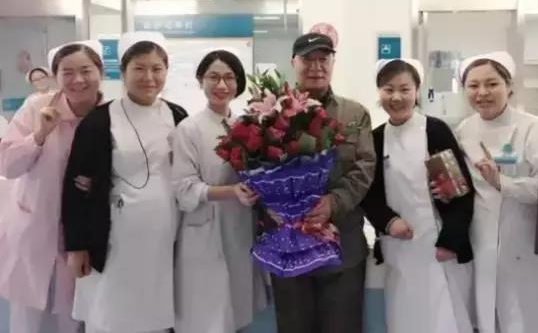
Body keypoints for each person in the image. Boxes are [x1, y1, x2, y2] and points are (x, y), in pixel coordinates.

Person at [62, 32, 188, 333]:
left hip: (166, 230)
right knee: (112, 312)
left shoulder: (177, 115)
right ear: (123, 72)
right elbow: (74, 189)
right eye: (139, 68)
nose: (149, 77)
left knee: (156, 311)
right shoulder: (99, 121)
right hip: (114, 233)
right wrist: (77, 246)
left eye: (157, 69)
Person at [456, 51, 538, 333]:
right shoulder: (464, 130)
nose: (482, 92)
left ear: (509, 86)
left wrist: (503, 183)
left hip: (527, 241)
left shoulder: (534, 128)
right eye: (473, 85)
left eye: (492, 83)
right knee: (489, 315)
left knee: (530, 319)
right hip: (482, 240)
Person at [270, 32, 376, 333]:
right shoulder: (271, 114)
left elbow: (364, 167)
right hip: (289, 247)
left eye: (323, 59)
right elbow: (256, 167)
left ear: (332, 63)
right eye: (308, 59)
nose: (316, 66)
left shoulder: (354, 114)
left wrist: (333, 202)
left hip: (343, 250)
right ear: (293, 62)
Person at [361, 58, 474, 333]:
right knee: (403, 318)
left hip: (437, 246)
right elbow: (369, 193)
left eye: (405, 89)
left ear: (417, 91)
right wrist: (388, 222)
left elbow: (460, 191)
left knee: (443, 318)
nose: (396, 97)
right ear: (379, 92)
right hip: (397, 247)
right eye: (388, 90)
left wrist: (450, 240)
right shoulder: (376, 138)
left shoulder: (434, 130)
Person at [0, 40, 104, 333]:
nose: (78, 80)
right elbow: (7, 165)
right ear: (55, 76)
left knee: (74, 318)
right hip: (35, 230)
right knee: (29, 319)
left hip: (84, 238)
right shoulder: (37, 108)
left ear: (100, 72)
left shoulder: (110, 116)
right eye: (67, 72)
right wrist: (39, 135)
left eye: (86, 70)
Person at [172, 48, 268, 333]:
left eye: (229, 77)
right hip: (203, 230)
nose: (221, 85)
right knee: (206, 314)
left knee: (236, 310)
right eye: (213, 77)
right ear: (201, 80)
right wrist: (230, 191)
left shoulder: (248, 126)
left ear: (238, 83)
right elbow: (183, 188)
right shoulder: (189, 129)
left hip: (239, 228)